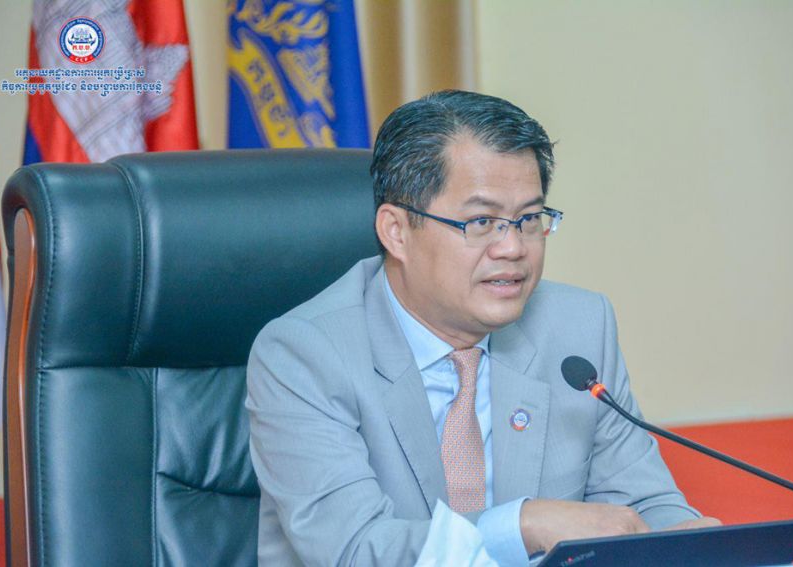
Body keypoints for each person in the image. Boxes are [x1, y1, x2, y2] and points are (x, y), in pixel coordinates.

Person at [246, 90, 718, 566]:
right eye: (481, 221)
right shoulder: (305, 354)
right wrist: (522, 525)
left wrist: (687, 542)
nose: (512, 247)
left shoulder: (579, 328)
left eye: (529, 219)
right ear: (396, 231)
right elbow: (355, 551)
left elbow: (640, 505)